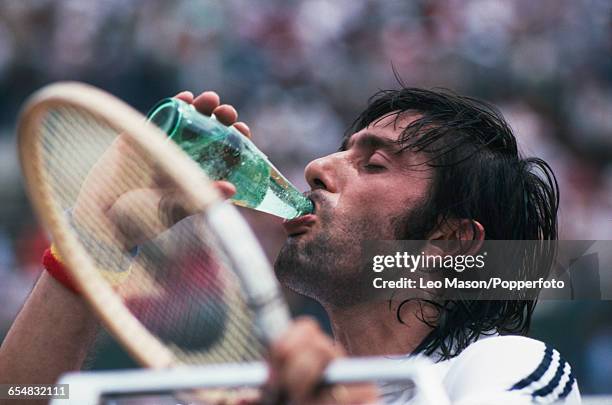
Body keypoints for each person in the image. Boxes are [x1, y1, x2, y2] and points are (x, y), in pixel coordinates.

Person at [0, 88, 581, 405]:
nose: (316, 167)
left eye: (373, 164)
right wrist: (96, 240)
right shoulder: (257, 393)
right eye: (341, 149)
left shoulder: (505, 367)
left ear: (450, 241)